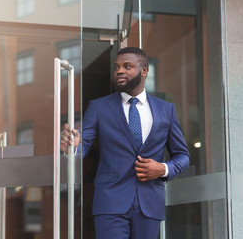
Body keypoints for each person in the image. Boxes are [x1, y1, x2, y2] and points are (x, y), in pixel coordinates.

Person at [61, 47, 190, 239]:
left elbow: (183, 156)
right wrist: (73, 146)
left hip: (149, 203)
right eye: (116, 67)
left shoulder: (166, 110)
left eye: (127, 66)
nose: (119, 71)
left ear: (144, 70)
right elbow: (83, 145)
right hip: (110, 201)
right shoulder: (99, 106)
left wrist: (162, 169)